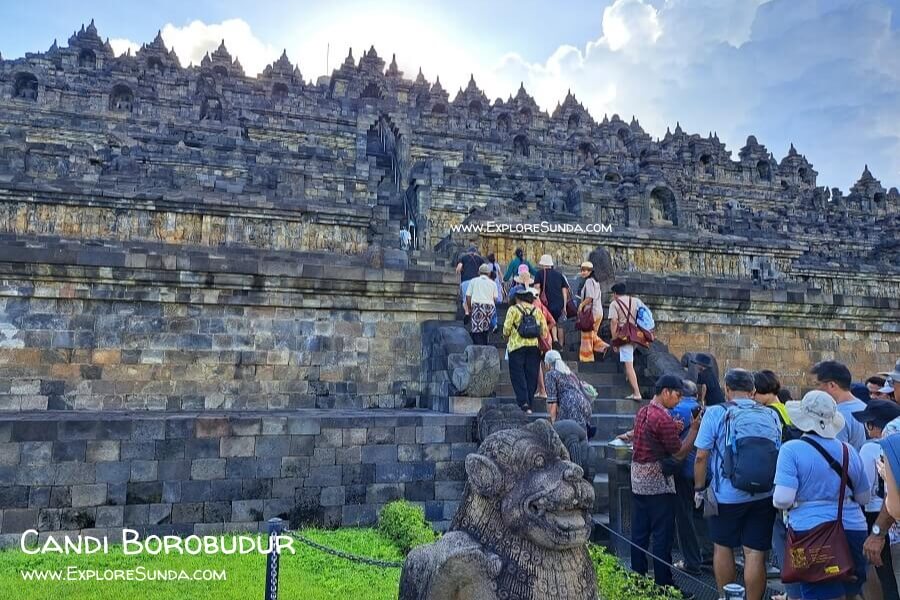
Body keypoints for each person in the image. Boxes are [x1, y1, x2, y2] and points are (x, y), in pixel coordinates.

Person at [774, 391, 872, 600]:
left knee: (819, 593)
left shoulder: (791, 449)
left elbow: (782, 498)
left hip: (810, 533)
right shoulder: (848, 450)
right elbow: (864, 497)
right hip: (853, 528)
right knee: (851, 593)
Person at [694, 369, 782, 600]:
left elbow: (701, 456)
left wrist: (699, 488)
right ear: (753, 390)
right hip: (764, 494)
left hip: (726, 495)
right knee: (755, 553)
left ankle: (727, 597)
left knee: (723, 547)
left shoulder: (715, 412)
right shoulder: (771, 414)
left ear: (727, 389)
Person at [631, 374, 700, 598]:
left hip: (638, 481)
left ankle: (638, 581)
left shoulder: (643, 411)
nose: (679, 401)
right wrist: (693, 430)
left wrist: (674, 427)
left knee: (639, 534)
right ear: (666, 392)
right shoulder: (662, 417)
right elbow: (679, 452)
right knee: (662, 536)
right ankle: (664, 584)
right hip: (658, 484)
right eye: (677, 395)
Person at [855, 400, 900, 600]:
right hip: (887, 516)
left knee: (884, 575)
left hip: (880, 516)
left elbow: (864, 487)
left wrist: (877, 532)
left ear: (872, 425)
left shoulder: (873, 447)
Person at [668, 379, 704, 576]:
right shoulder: (705, 409)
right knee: (702, 516)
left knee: (684, 517)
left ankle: (692, 561)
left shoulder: (675, 410)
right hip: (705, 471)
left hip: (684, 470)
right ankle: (708, 555)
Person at [502, 287, 548, 414]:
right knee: (531, 375)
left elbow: (506, 329)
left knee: (518, 375)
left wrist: (506, 337)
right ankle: (530, 403)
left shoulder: (513, 309)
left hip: (516, 346)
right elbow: (544, 331)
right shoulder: (537, 310)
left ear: (517, 297)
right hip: (534, 347)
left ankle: (524, 403)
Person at [811, 360, 868, 450]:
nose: (815, 390)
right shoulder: (864, 407)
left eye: (817, 384)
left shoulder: (835, 416)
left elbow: (835, 453)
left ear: (832, 385)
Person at [608, 283, 647, 400]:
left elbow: (614, 322)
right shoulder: (636, 301)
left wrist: (614, 340)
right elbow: (645, 315)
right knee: (628, 360)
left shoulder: (614, 304)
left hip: (624, 337)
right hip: (636, 335)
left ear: (615, 294)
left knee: (629, 364)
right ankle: (628, 376)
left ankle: (637, 393)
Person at [543, 350, 592, 432]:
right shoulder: (569, 373)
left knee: (567, 433)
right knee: (581, 433)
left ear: (547, 364)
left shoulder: (551, 374)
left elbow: (552, 402)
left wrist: (552, 425)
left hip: (569, 404)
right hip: (585, 404)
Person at [534, 254, 569, 351]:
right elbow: (565, 292)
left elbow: (537, 289)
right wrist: (564, 307)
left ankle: (549, 345)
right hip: (560, 304)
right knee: (560, 326)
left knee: (548, 323)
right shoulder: (559, 275)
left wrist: (536, 301)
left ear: (542, 264)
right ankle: (560, 347)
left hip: (547, 305)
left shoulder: (539, 274)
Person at [577, 261, 609, 363]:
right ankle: (604, 348)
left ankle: (587, 358)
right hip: (598, 312)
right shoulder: (596, 282)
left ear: (590, 271)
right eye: (582, 270)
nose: (583, 272)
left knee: (586, 336)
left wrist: (581, 305)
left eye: (585, 270)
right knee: (592, 335)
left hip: (591, 313)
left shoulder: (589, 281)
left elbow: (590, 297)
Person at [465, 263, 499, 345]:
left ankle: (478, 347)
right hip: (489, 306)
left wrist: (469, 308)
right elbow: (495, 298)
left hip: (477, 306)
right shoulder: (493, 283)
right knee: (485, 329)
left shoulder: (473, 281)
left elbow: (468, 296)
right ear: (489, 273)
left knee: (477, 329)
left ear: (479, 272)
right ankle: (485, 345)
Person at [456, 245, 484, 317]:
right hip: (476, 281)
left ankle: (467, 313)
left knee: (466, 299)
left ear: (468, 252)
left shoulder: (463, 257)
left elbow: (459, 268)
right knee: (475, 298)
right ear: (475, 252)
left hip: (466, 280)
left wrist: (459, 272)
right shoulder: (480, 259)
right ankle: (474, 314)